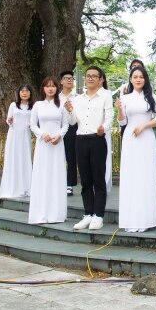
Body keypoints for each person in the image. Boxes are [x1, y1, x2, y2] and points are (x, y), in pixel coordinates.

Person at [116, 67, 156, 232]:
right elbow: (122, 122)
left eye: (141, 77)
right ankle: (130, 219)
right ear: (130, 79)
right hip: (130, 137)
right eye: (135, 77)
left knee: (145, 175)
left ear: (145, 80)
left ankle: (146, 219)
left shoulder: (151, 97)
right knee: (131, 175)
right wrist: (119, 110)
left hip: (146, 137)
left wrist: (144, 125)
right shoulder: (125, 98)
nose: (138, 80)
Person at [68, 66, 114, 231]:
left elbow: (110, 117)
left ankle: (98, 215)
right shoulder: (78, 99)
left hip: (97, 139)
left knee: (98, 179)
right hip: (80, 139)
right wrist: (69, 111)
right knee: (85, 179)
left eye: (95, 76)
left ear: (101, 79)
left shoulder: (105, 96)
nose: (91, 79)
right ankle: (88, 213)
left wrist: (103, 127)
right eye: (88, 76)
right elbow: (73, 122)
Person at [28, 77, 71, 225]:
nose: (50, 88)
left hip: (57, 145)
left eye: (53, 86)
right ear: (43, 89)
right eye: (47, 86)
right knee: (42, 175)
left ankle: (56, 213)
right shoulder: (38, 105)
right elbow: (33, 124)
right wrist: (42, 134)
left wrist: (59, 135)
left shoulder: (61, 106)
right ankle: (41, 213)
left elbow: (65, 125)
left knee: (56, 176)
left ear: (56, 88)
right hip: (43, 145)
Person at [0, 85, 34, 199]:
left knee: (24, 159)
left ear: (30, 93)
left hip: (25, 136)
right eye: (22, 91)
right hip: (14, 136)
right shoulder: (13, 105)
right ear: (19, 93)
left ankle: (25, 188)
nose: (24, 93)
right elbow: (9, 119)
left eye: (27, 91)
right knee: (13, 159)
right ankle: (12, 188)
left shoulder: (33, 107)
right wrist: (9, 120)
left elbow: (34, 121)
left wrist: (31, 124)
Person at [58, 70, 79, 195]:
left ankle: (69, 184)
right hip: (57, 128)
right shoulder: (57, 97)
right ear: (61, 81)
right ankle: (57, 182)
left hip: (72, 128)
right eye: (66, 78)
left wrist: (70, 110)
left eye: (71, 78)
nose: (69, 80)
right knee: (58, 155)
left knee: (71, 157)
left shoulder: (77, 97)